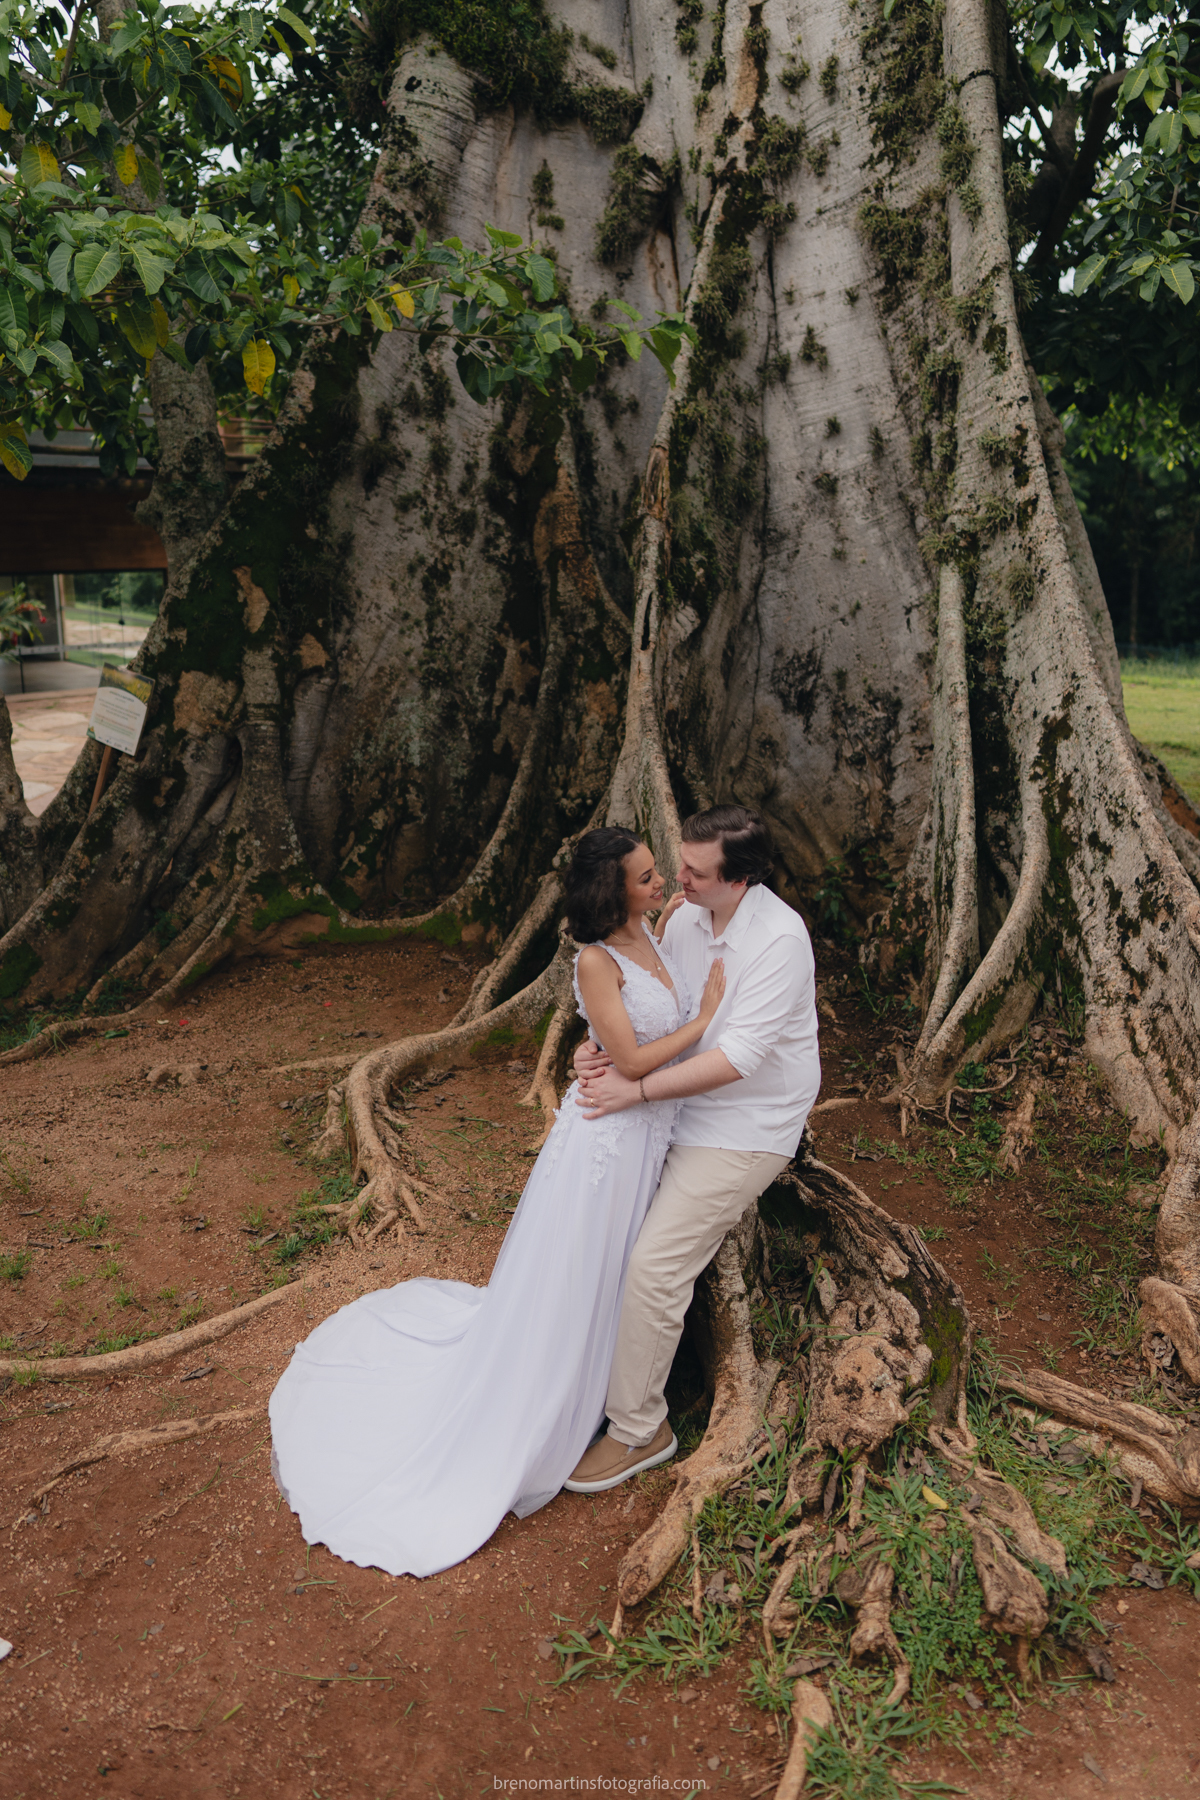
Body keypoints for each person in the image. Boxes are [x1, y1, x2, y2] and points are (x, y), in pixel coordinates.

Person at [268, 828, 725, 1578]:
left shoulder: (656, 932)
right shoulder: (595, 960)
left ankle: (617, 1384)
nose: (660, 886)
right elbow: (637, 1058)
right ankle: (561, 1404)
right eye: (646, 879)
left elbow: (633, 1043)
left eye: (656, 875)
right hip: (605, 1149)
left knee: (621, 1273)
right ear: (612, 892)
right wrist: (705, 1019)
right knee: (581, 1274)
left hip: (646, 1137)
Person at [562, 804, 821, 1494]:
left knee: (653, 1264)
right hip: (670, 1109)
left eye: (695, 874)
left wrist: (634, 1093)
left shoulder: (779, 942)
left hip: (742, 1124)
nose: (675, 882)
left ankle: (641, 1427)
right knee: (597, 1238)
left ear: (740, 881)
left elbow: (736, 1057)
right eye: (677, 865)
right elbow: (653, 1010)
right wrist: (598, 1052)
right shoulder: (682, 917)